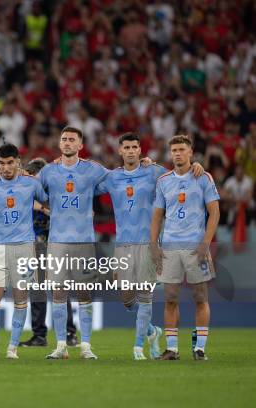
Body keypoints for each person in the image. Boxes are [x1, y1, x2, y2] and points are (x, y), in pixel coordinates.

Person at [97, 132, 205, 359]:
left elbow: (178, 173)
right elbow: (85, 183)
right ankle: (152, 331)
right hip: (123, 244)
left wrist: (197, 166)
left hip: (149, 243)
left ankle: (138, 347)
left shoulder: (154, 172)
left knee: (145, 296)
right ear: (119, 151)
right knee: (126, 298)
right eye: (125, 147)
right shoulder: (111, 177)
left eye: (134, 147)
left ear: (140, 150)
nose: (130, 151)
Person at [38, 127, 109, 360]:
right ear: (59, 144)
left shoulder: (92, 169)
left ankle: (86, 346)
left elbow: (119, 178)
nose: (67, 142)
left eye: (72, 140)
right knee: (58, 293)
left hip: (84, 241)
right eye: (64, 139)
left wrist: (145, 163)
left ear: (80, 145)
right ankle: (60, 346)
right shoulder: (48, 171)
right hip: (57, 241)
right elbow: (28, 192)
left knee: (84, 293)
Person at [0, 143, 48, 359]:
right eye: (2, 163)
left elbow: (48, 203)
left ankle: (12, 348)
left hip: (25, 247)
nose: (6, 167)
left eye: (10, 163)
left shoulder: (31, 183)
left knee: (20, 298)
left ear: (17, 162)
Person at [150, 135, 220, 361]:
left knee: (200, 297)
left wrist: (205, 243)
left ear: (191, 152)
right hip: (169, 247)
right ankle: (172, 349)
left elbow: (214, 213)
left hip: (195, 247)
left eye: (182, 150)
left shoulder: (203, 178)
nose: (178, 154)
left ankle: (200, 348)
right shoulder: (163, 181)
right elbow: (157, 216)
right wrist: (154, 245)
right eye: (174, 150)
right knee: (170, 298)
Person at [19, 158, 78, 348]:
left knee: (60, 289)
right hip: (34, 246)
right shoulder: (26, 194)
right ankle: (39, 335)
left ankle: (69, 334)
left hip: (56, 245)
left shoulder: (56, 192)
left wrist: (44, 207)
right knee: (36, 290)